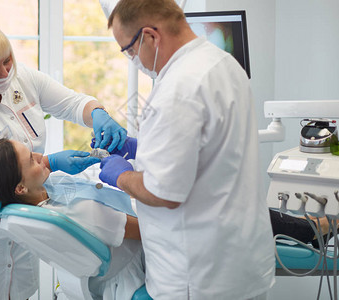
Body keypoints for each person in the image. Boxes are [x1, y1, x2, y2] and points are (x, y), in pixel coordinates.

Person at [96, 0, 276, 299]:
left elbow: (164, 192)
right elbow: (211, 149)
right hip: (241, 263)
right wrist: (143, 150)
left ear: (150, 36)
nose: (132, 59)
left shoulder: (178, 88)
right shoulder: (224, 63)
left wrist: (121, 175)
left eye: (128, 50)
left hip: (198, 275)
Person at [0, 20, 126, 300]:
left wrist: (98, 113)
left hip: (25, 224)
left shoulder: (21, 78)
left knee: (22, 293)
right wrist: (49, 163)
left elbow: (73, 103)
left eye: (7, 61)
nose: (4, 72)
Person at [0, 138, 145, 300]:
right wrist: (126, 178)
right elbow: (146, 230)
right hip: (140, 258)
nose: (42, 157)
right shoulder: (82, 210)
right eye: (32, 159)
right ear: (21, 188)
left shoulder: (42, 198)